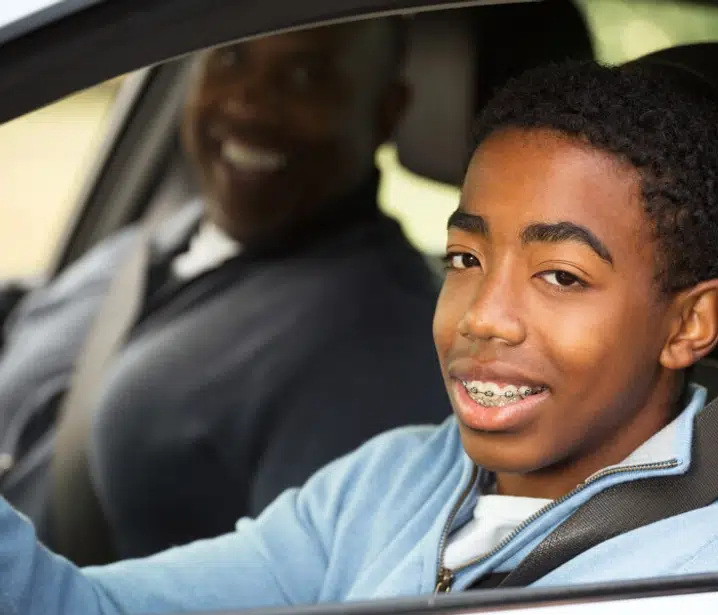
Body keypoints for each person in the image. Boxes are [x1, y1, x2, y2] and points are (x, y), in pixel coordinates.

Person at [2, 56, 718, 615]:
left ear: (689, 323)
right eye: (465, 257)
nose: (483, 315)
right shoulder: (392, 479)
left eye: (561, 276)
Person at [0, 18, 451, 560]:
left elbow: (318, 582)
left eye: (305, 77)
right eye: (231, 57)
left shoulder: (377, 340)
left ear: (386, 112)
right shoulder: (150, 243)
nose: (249, 103)